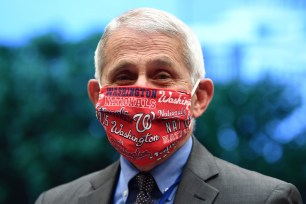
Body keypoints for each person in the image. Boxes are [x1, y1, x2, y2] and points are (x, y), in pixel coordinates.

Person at [35, 8, 303, 204]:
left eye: (162, 75)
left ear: (199, 97)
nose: (142, 89)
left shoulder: (266, 199)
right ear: (97, 97)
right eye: (124, 76)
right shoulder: (55, 200)